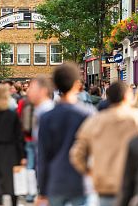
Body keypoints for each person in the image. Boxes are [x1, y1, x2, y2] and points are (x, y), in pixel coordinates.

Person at [70, 81, 138, 206]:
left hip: (106, 186)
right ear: (127, 96)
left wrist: (91, 172)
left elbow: (76, 154)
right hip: (136, 186)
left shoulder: (94, 121)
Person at [36, 63, 92, 206]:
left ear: (54, 85)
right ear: (77, 84)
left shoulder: (47, 117)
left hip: (55, 181)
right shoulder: (88, 114)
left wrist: (42, 190)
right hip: (82, 181)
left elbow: (43, 155)